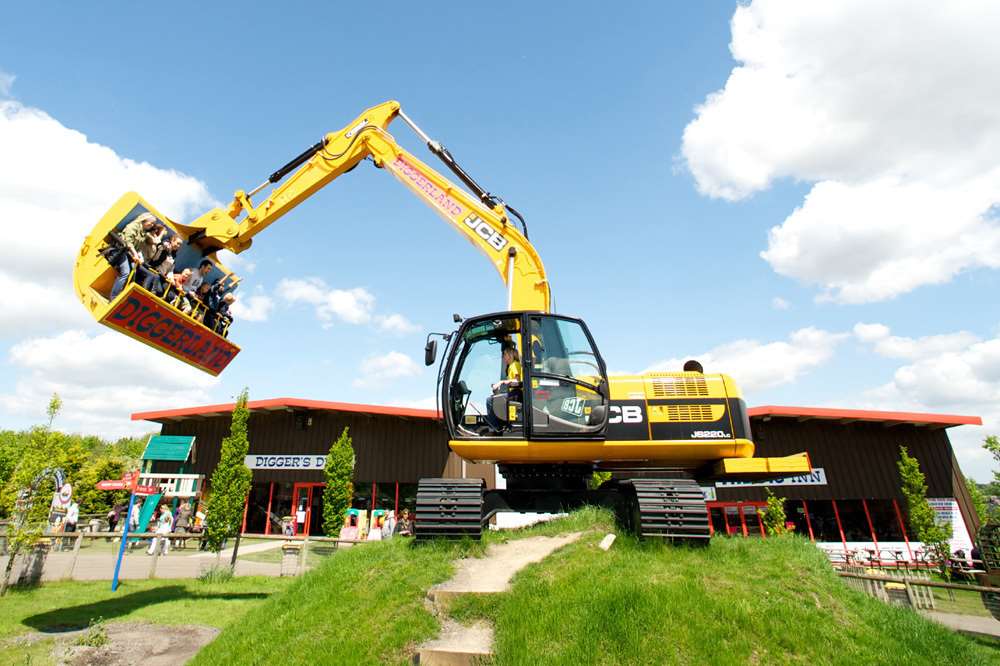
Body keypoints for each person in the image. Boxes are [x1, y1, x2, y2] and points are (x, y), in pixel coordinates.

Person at [109, 212, 158, 299]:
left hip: (129, 254)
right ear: (144, 220)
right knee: (126, 273)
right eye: (151, 222)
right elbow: (128, 242)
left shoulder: (143, 232)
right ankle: (113, 297)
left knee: (134, 273)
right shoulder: (133, 226)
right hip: (120, 250)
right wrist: (135, 254)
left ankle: (124, 295)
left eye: (153, 224)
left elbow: (138, 247)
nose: (152, 225)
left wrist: (139, 257)